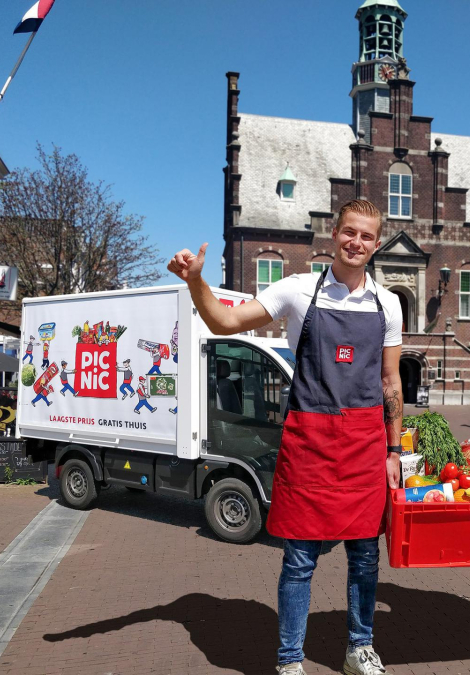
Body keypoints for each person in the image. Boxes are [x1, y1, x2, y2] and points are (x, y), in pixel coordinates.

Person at [168, 199, 403, 675]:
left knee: (364, 558)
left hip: (364, 444)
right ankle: (290, 660)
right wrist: (195, 281)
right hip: (310, 440)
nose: (356, 243)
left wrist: (395, 449)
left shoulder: (388, 303)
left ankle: (360, 648)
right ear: (334, 234)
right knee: (299, 559)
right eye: (349, 232)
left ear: (376, 245)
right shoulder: (297, 290)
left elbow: (391, 384)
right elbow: (225, 322)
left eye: (366, 236)